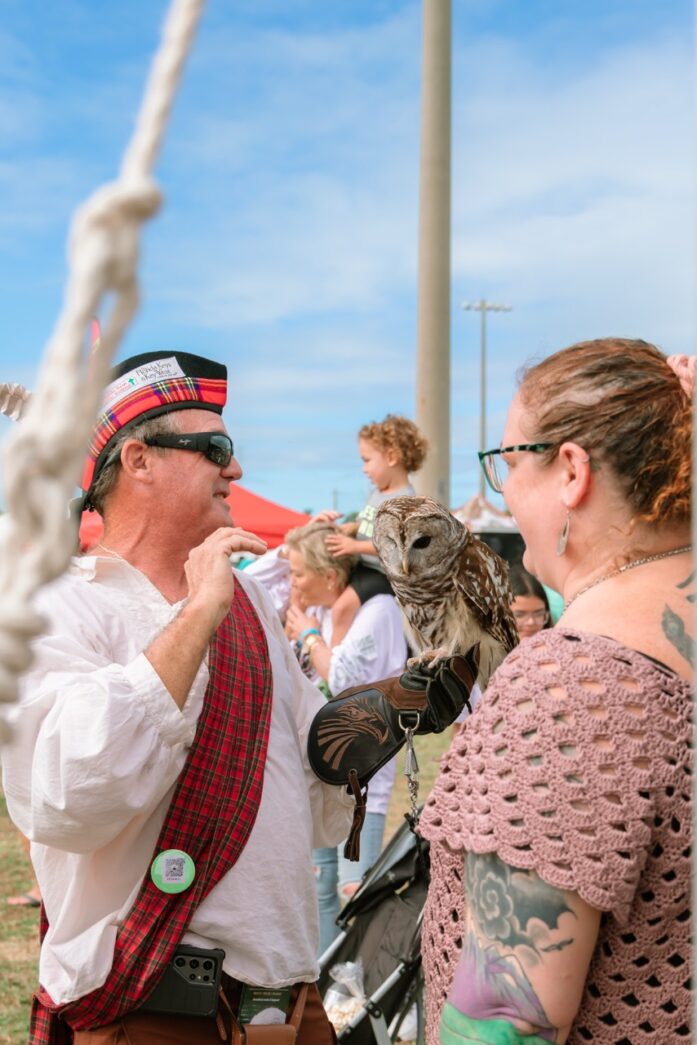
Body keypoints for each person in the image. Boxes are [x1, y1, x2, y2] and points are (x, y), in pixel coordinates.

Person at [420, 338, 692, 1044]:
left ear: (571, 470)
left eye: (509, 462)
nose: (503, 491)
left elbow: (506, 1019)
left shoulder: (575, 687)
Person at [282, 521, 408, 955]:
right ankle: (323, 977)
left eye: (299, 573)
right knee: (318, 887)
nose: (292, 582)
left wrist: (310, 636)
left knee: (353, 890)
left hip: (362, 780)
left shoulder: (379, 611)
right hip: (315, 774)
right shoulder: (321, 609)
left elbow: (342, 682)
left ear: (331, 576)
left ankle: (359, 979)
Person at [321, 414, 428, 646]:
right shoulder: (379, 492)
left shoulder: (404, 501)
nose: (364, 469)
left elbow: (396, 546)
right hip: (364, 566)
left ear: (391, 457)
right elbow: (369, 523)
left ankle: (333, 658)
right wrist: (353, 527)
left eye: (367, 460)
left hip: (381, 574)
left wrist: (355, 546)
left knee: (341, 609)